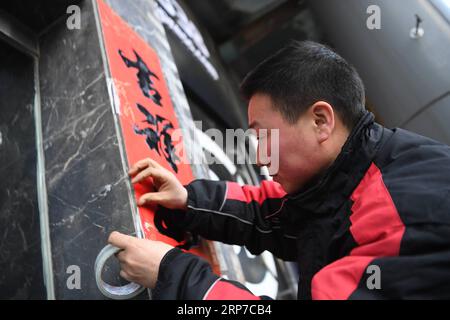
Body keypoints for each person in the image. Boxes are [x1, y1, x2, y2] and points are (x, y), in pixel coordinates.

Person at [108, 41, 450, 300]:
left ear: (320, 121)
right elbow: (279, 214)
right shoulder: (362, 165)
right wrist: (189, 200)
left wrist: (174, 275)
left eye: (263, 136)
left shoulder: (409, 218)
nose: (259, 157)